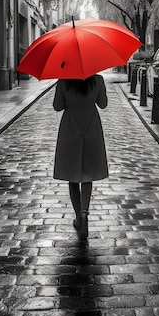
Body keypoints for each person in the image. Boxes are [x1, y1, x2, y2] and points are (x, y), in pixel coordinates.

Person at [53, 74, 108, 239]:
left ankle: (78, 216)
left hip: (70, 129)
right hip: (91, 128)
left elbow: (57, 106)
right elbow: (103, 104)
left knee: (72, 176)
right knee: (88, 174)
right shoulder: (97, 80)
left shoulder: (63, 81)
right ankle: (85, 212)